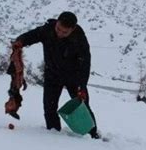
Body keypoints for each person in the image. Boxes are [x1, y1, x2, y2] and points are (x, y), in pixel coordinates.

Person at [12, 11, 100, 139]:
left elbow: (85, 64)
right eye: (58, 29)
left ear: (72, 29)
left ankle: (92, 135)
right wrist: (20, 41)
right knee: (49, 107)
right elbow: (32, 35)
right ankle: (53, 135)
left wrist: (82, 85)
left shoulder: (79, 38)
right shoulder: (47, 29)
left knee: (83, 106)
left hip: (74, 77)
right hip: (52, 74)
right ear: (56, 22)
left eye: (64, 32)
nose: (59, 33)